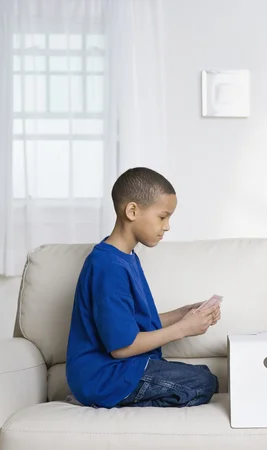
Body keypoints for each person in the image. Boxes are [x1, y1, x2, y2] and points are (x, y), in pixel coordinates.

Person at [66, 167, 220, 408]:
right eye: (162, 216)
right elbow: (122, 347)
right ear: (132, 211)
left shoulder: (125, 257)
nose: (167, 226)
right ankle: (102, 400)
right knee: (203, 383)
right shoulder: (108, 266)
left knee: (206, 376)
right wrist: (183, 328)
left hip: (121, 370)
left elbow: (130, 324)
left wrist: (185, 313)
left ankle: (105, 399)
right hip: (105, 376)